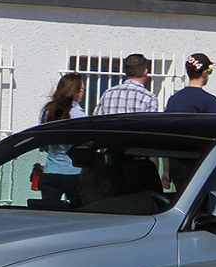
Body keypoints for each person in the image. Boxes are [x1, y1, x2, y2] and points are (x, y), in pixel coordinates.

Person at [37, 73, 86, 202]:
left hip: (50, 171)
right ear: (75, 92)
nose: (83, 93)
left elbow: (42, 137)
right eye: (82, 89)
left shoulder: (48, 110)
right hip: (74, 173)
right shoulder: (78, 114)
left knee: (49, 214)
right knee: (77, 214)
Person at [93, 53, 158, 115]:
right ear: (145, 72)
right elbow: (150, 124)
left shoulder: (108, 94)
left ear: (125, 71)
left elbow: (96, 119)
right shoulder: (149, 97)